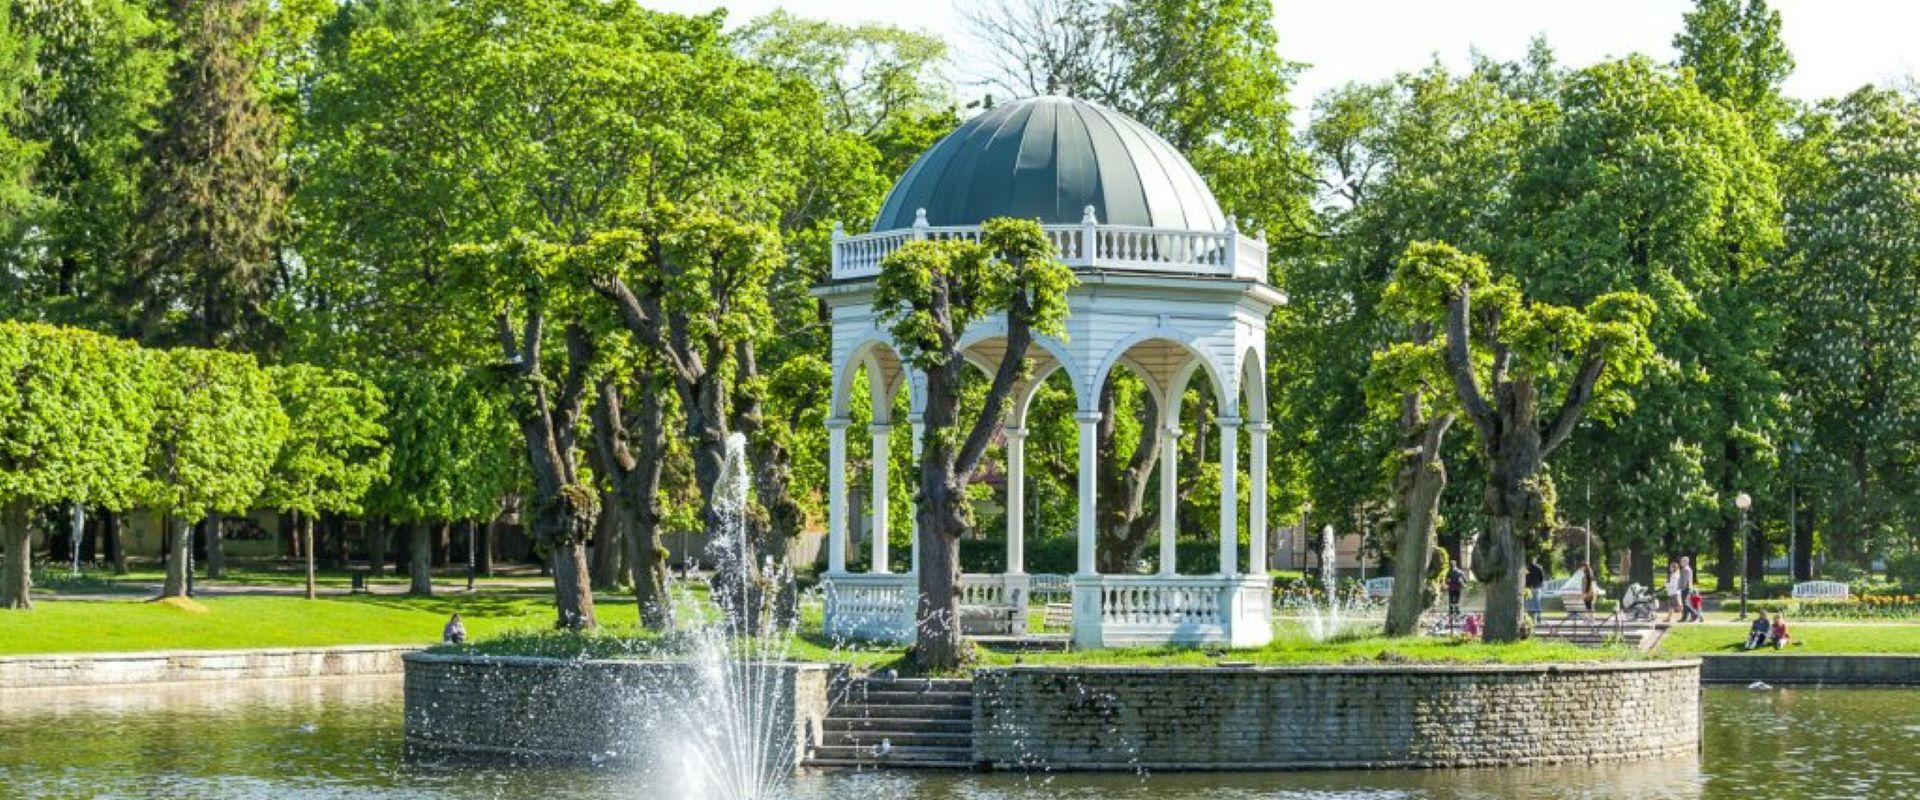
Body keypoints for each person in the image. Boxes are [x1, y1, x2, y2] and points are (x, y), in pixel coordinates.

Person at [1678, 557, 1699, 622]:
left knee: (1685, 603)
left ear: (1686, 562)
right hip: (1685, 587)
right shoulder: (1684, 569)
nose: (1680, 562)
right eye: (1681, 561)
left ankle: (1695, 614)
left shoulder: (1686, 569)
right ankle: (1684, 617)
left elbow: (1686, 580)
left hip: (1686, 587)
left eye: (1682, 561)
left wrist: (1682, 587)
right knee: (1685, 603)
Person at [1525, 558, 1547, 624]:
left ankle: (1530, 620)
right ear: (1535, 560)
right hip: (1537, 587)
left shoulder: (1526, 567)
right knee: (1537, 603)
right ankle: (1539, 618)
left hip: (1529, 588)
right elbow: (1542, 578)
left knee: (1530, 604)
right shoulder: (1539, 567)